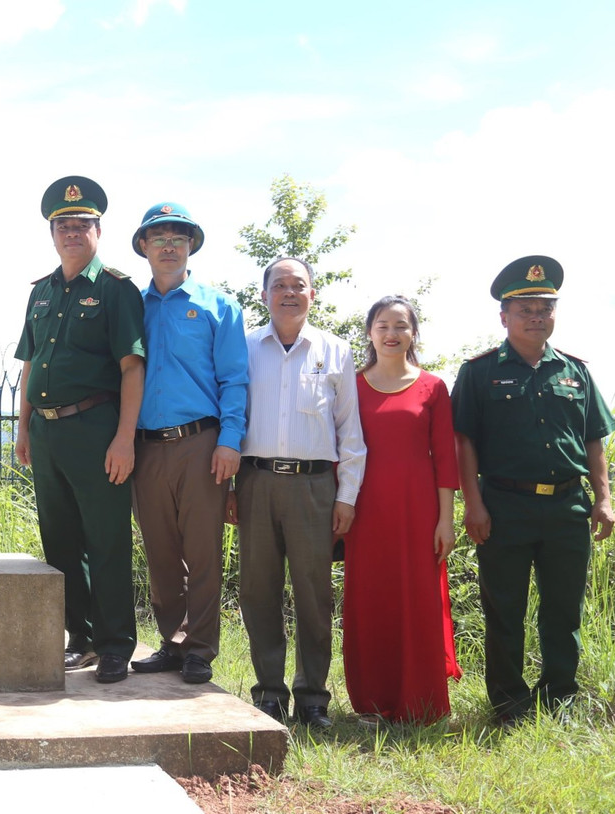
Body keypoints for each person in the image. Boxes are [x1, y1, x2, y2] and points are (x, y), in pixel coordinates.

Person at [453, 256, 615, 725]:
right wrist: (473, 504)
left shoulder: (575, 371)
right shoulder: (479, 372)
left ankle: (558, 698)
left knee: (563, 610)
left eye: (545, 308)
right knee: (504, 609)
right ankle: (508, 703)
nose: (536, 317)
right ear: (504, 316)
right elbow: (463, 441)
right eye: (525, 310)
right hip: (504, 506)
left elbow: (594, 439)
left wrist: (603, 498)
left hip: (567, 507)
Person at [14, 176, 145, 684]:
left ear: (98, 231)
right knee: (61, 541)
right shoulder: (41, 292)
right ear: (52, 234)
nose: (72, 233)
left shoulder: (115, 289)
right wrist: (23, 429)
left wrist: (124, 438)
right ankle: (82, 637)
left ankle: (115, 645)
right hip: (47, 433)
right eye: (63, 225)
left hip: (96, 428)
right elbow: (30, 364)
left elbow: (132, 367)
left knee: (106, 539)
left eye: (82, 225)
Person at [232, 256, 366, 728]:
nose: (289, 293)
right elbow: (231, 417)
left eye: (299, 285)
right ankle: (269, 693)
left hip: (315, 486)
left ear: (313, 293)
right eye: (280, 285)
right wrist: (228, 486)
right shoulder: (244, 347)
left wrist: (346, 496)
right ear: (264, 294)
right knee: (258, 591)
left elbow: (350, 431)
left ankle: (312, 698)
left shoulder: (336, 351)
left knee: (314, 594)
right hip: (255, 481)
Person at [126, 202, 248, 686]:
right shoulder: (130, 307)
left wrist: (230, 441)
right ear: (143, 247)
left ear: (191, 246)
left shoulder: (219, 306)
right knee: (159, 553)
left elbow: (235, 379)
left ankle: (199, 649)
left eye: (179, 238)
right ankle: (171, 643)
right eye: (159, 238)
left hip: (201, 443)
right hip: (145, 448)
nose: (169, 246)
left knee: (201, 552)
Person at [342, 295, 462, 725]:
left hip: (418, 512)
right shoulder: (350, 385)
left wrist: (446, 520)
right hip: (364, 510)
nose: (391, 334)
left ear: (413, 333)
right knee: (369, 600)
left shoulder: (433, 387)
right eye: (382, 325)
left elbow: (445, 458)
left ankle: (422, 703)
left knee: (418, 601)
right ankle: (372, 703)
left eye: (400, 326)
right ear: (369, 332)